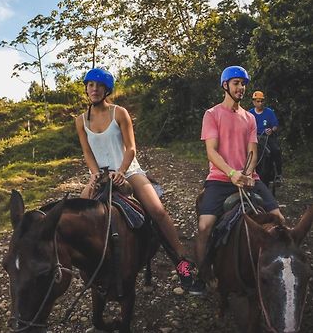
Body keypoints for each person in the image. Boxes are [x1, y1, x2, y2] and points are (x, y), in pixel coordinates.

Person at [76, 67, 198, 292]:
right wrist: (94, 174)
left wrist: (122, 171)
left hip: (128, 170)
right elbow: (87, 152)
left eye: (98, 85)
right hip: (101, 175)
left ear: (106, 90)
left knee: (157, 210)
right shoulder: (80, 120)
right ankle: (87, 268)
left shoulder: (119, 112)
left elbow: (131, 148)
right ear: (86, 88)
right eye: (90, 85)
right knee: (78, 215)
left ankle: (182, 260)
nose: (94, 89)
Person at [194, 66, 285, 295]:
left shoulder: (249, 118)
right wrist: (232, 174)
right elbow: (212, 152)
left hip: (248, 177)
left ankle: (283, 269)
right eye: (236, 83)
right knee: (205, 225)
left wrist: (246, 174)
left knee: (279, 219)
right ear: (225, 85)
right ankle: (202, 273)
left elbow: (252, 151)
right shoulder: (212, 114)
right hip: (220, 179)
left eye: (243, 84)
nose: (241, 88)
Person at [249, 91, 282, 184]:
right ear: (254, 102)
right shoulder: (250, 113)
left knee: (276, 150)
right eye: (258, 101)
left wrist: (271, 130)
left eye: (261, 101)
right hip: (254, 137)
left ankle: (279, 174)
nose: (260, 103)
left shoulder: (269, 112)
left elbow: (275, 125)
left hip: (267, 137)